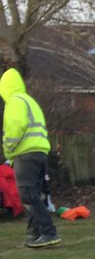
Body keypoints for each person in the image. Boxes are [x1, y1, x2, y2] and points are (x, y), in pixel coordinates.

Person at [1, 68, 60, 248]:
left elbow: (15, 128)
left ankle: (48, 232)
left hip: (25, 155)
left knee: (27, 195)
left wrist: (8, 148)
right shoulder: (30, 101)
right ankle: (34, 234)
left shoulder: (14, 102)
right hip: (40, 152)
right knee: (35, 195)